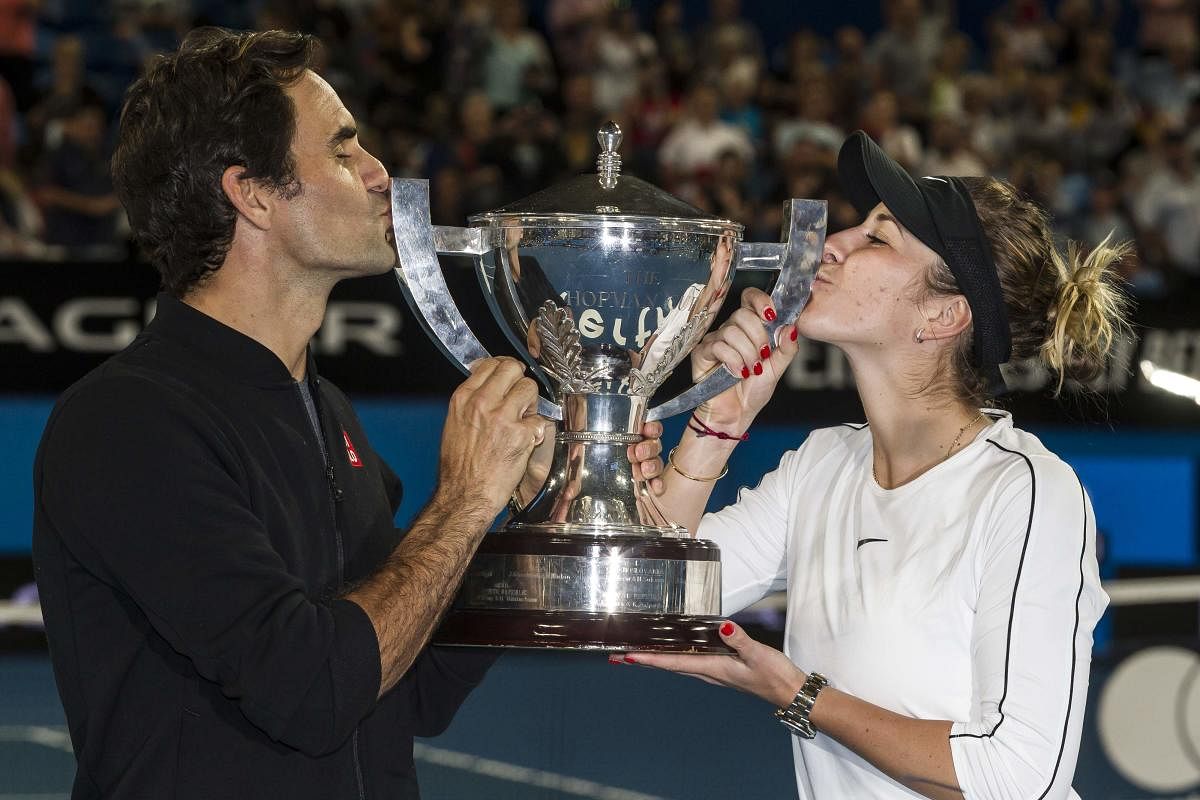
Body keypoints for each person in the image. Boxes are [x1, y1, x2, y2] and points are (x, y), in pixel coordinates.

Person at [32, 29, 663, 800]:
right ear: (252, 193)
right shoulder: (127, 423)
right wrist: (464, 501)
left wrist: (528, 513)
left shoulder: (322, 408)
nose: (378, 175)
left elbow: (412, 686)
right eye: (342, 151)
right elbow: (311, 690)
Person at [615, 130, 1131, 800]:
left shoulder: (1026, 491)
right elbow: (638, 608)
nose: (834, 243)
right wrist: (718, 423)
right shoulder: (822, 465)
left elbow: (1017, 778)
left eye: (877, 238)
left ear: (943, 315)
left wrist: (799, 694)